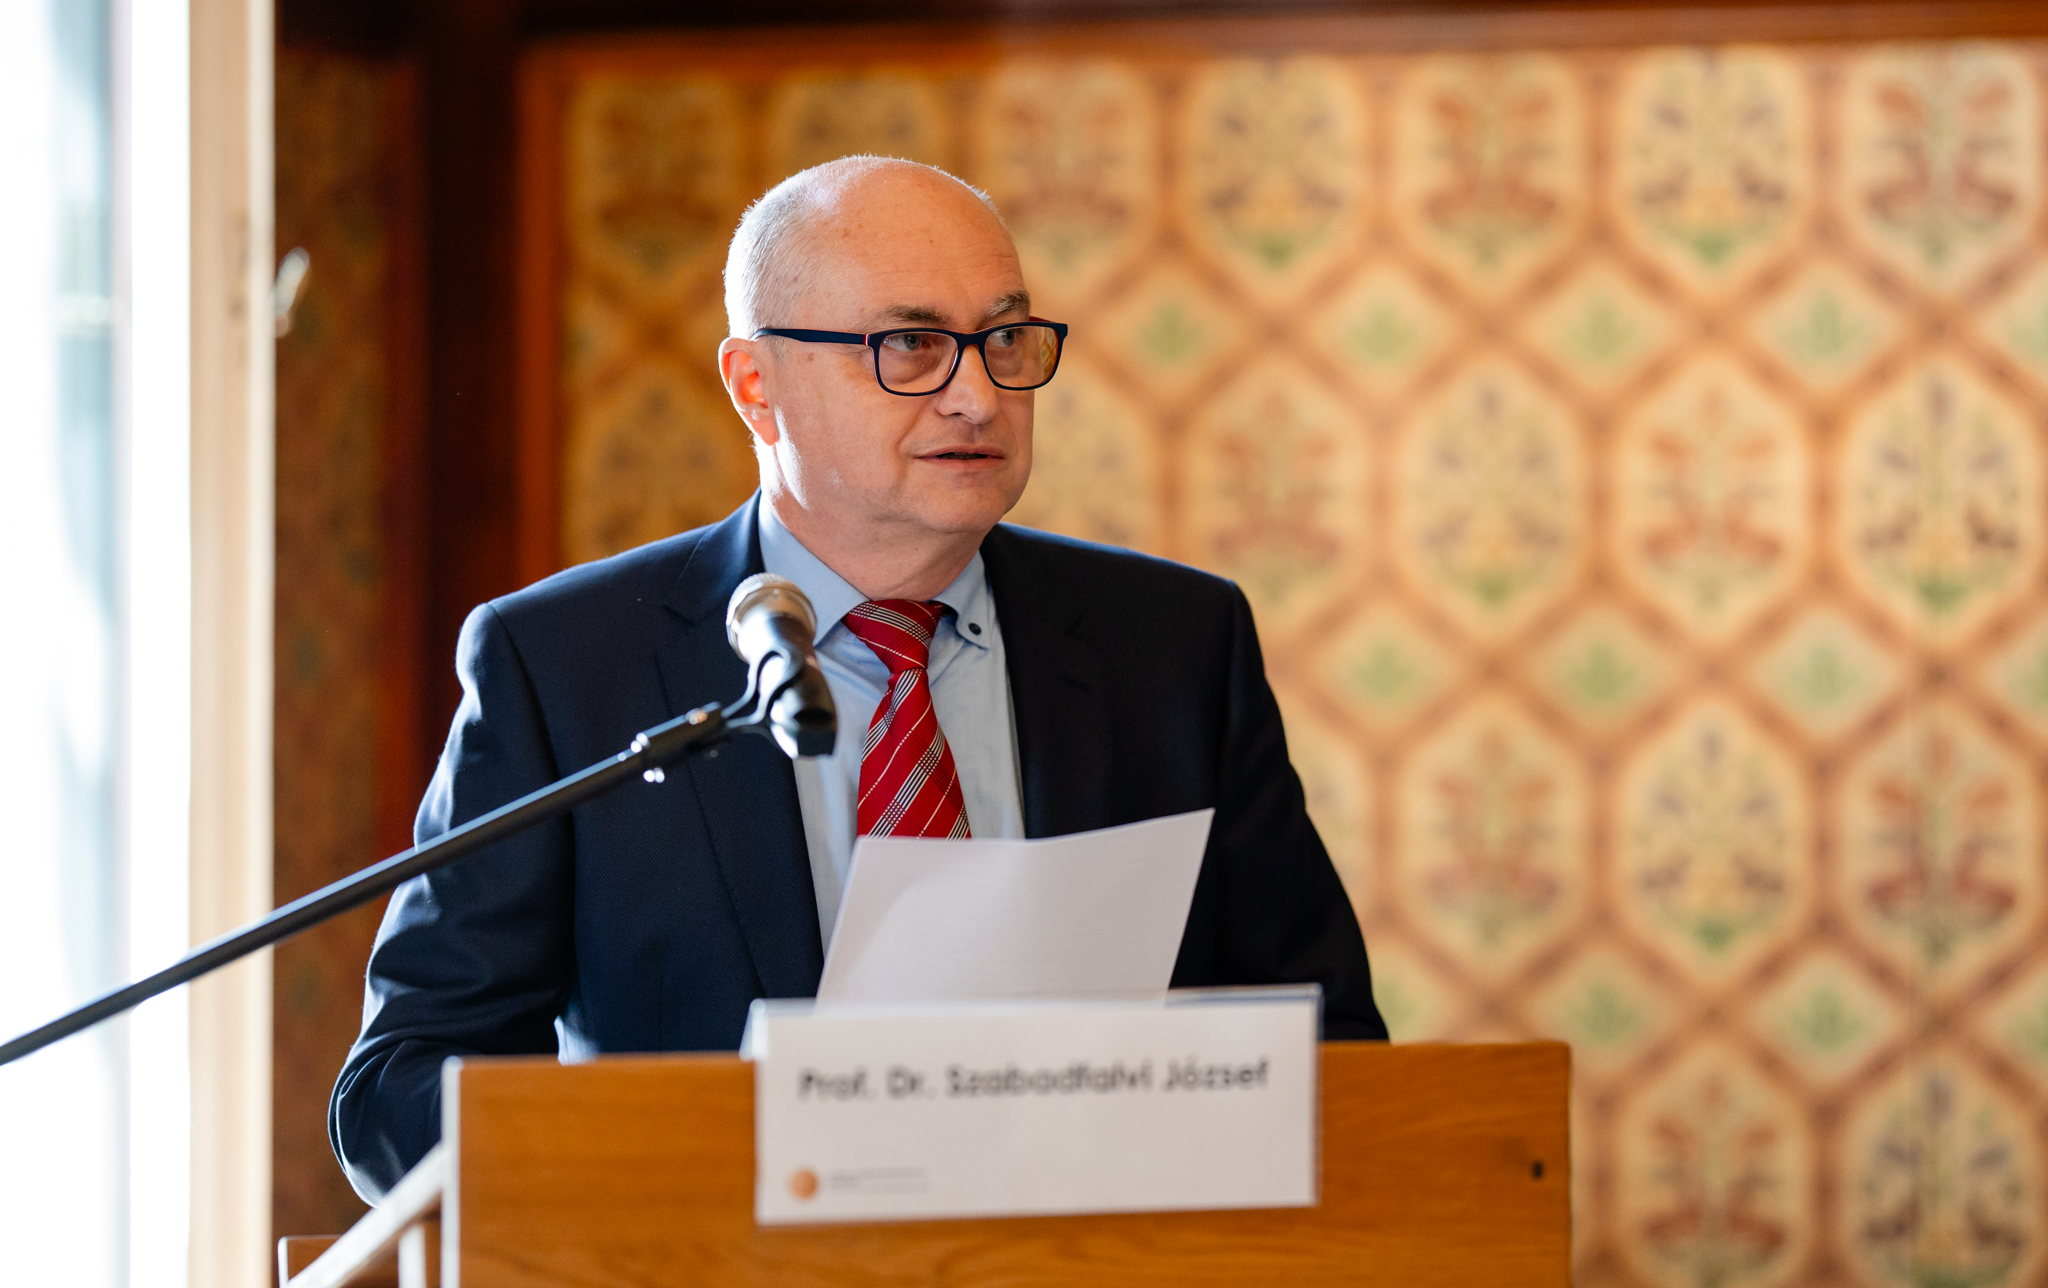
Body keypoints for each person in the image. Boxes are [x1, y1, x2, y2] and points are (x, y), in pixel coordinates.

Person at [331, 156, 1386, 1201]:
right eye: (911, 345)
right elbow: (396, 1089)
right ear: (756, 386)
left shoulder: (1173, 645)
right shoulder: (568, 666)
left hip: (1104, 1274)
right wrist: (688, 1154)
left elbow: (1330, 1044)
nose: (976, 396)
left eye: (1004, 339)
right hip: (706, 1280)